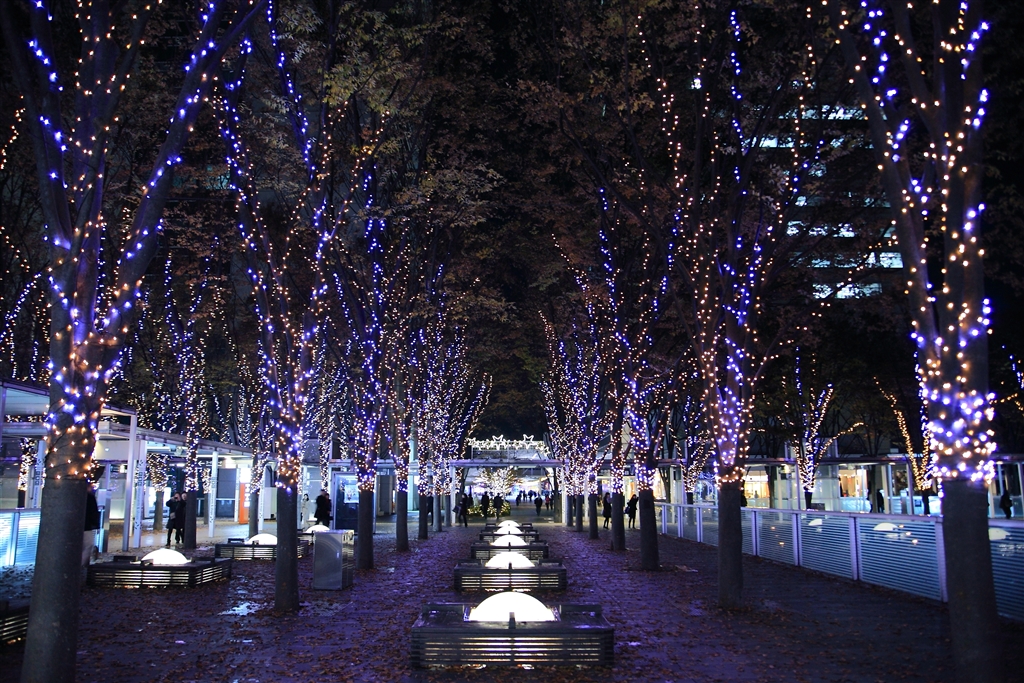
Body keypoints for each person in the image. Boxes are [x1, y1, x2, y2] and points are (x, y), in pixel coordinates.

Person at [83, 485, 100, 567]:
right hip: (86, 526)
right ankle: (81, 565)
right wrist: (95, 524)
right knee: (88, 545)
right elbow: (93, 512)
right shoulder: (89, 497)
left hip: (71, 527)